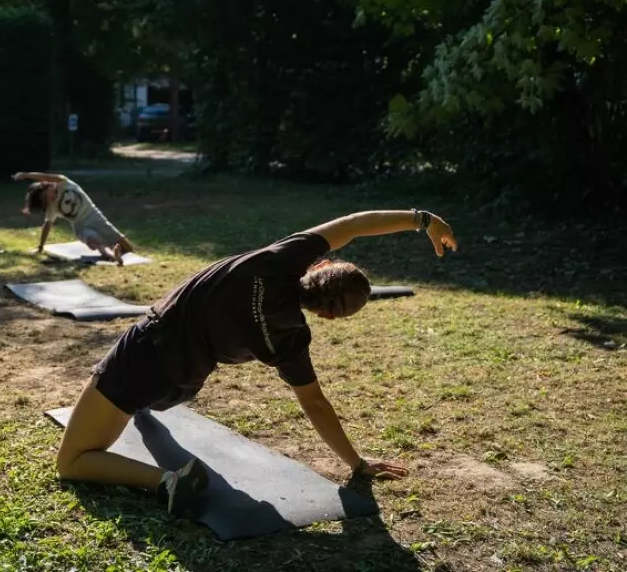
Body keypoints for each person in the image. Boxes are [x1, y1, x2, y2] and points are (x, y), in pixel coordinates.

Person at [55, 209, 458, 517]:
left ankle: (168, 482)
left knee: (71, 461)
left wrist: (423, 219)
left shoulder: (280, 260)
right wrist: (357, 462)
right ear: (330, 316)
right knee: (146, 406)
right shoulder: (291, 339)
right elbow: (316, 404)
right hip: (183, 380)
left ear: (318, 266)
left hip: (146, 351)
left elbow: (351, 226)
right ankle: (142, 408)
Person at [13, 172, 134, 266]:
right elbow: (47, 225)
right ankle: (110, 255)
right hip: (80, 226)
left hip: (95, 216)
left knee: (129, 248)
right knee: (94, 240)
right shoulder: (52, 207)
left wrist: (25, 175)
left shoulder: (63, 182)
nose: (49, 199)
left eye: (46, 195)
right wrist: (40, 247)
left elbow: (45, 175)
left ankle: (114, 250)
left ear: (47, 185)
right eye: (45, 201)